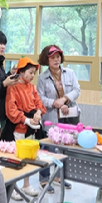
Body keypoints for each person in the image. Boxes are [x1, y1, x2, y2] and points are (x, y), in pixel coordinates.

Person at [37, 45, 80, 191]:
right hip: (51, 116)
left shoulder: (70, 73)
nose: (56, 60)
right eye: (52, 57)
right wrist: (55, 103)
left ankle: (58, 176)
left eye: (58, 57)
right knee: (47, 148)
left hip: (68, 115)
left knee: (64, 148)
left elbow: (77, 90)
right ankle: (44, 179)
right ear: (46, 59)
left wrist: (65, 99)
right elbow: (40, 97)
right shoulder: (42, 78)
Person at [4, 57, 45, 199]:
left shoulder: (32, 87)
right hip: (18, 127)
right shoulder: (13, 86)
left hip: (32, 127)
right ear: (21, 72)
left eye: (34, 73)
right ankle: (13, 187)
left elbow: (39, 103)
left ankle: (26, 184)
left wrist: (38, 113)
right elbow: (11, 110)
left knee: (28, 156)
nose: (32, 76)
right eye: (30, 72)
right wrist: (26, 120)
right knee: (16, 157)